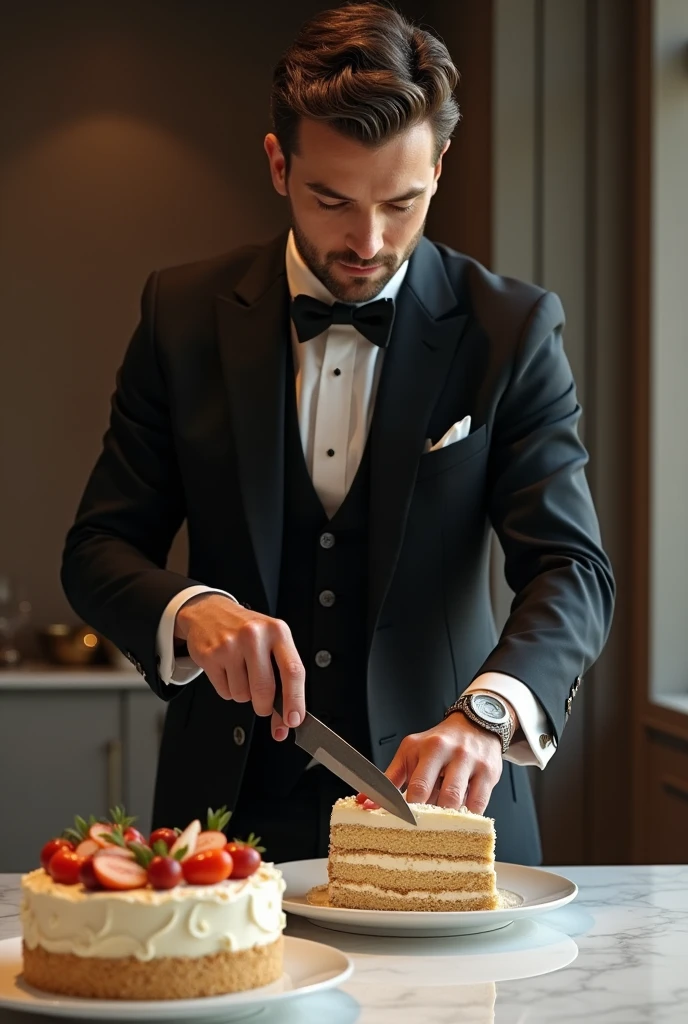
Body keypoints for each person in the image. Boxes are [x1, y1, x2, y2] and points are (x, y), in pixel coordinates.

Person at [61, 2, 614, 865]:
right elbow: (97, 549)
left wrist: (489, 713)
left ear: (440, 166)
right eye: (332, 200)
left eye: (403, 201)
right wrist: (192, 611)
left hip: (442, 809)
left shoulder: (512, 329)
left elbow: (572, 568)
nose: (368, 241)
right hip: (226, 814)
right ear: (279, 164)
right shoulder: (180, 316)